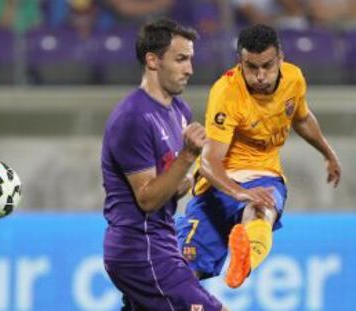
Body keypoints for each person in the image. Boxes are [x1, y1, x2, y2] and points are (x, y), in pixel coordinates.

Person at [176, 24, 342, 289]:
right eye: (252, 67)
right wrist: (237, 191)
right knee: (181, 280)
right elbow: (208, 162)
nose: (261, 75)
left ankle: (245, 261)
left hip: (263, 176)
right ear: (240, 63)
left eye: (267, 66)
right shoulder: (227, 92)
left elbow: (301, 118)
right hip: (216, 185)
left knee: (260, 209)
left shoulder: (294, 79)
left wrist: (328, 153)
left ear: (281, 59)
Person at [101, 18, 228, 311]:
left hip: (161, 241)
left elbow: (172, 188)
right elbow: (147, 199)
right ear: (153, 60)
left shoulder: (179, 110)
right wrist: (187, 156)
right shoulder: (133, 117)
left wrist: (194, 178)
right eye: (181, 59)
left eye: (191, 59)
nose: (190, 69)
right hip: (140, 248)